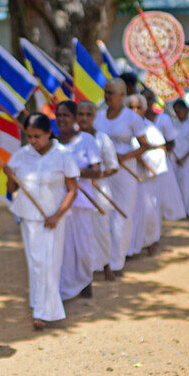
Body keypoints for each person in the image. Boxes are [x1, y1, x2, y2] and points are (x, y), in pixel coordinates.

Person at [3, 113, 79, 329]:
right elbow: (12, 190)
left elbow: (73, 190)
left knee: (50, 263)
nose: (33, 141)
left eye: (37, 136)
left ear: (48, 133)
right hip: (29, 217)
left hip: (54, 218)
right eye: (29, 136)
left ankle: (46, 311)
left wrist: (57, 215)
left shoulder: (63, 155)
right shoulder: (20, 156)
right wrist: (9, 175)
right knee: (35, 263)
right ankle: (39, 306)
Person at [94, 79, 152, 275]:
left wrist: (124, 156)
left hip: (125, 172)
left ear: (122, 95)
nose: (107, 96)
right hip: (103, 171)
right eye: (106, 92)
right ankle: (102, 261)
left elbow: (145, 145)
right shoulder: (98, 116)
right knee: (103, 212)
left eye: (111, 93)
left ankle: (118, 262)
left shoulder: (131, 118)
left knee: (123, 215)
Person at [55, 100, 102, 299]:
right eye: (59, 115)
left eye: (66, 115)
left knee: (82, 247)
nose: (62, 119)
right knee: (63, 249)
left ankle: (85, 280)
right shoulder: (52, 142)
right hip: (58, 204)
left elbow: (97, 171)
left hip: (81, 202)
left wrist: (73, 171)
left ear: (74, 118)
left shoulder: (86, 140)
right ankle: (64, 290)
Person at [76, 100, 118, 281]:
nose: (84, 118)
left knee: (102, 231)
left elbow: (113, 166)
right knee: (82, 233)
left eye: (88, 115)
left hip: (99, 192)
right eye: (81, 114)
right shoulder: (71, 138)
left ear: (94, 117)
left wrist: (97, 176)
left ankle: (107, 265)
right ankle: (85, 271)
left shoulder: (102, 138)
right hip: (77, 194)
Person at [125, 93, 163, 256]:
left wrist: (143, 159)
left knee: (147, 212)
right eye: (131, 107)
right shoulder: (123, 127)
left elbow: (160, 150)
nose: (135, 111)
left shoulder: (150, 128)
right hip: (125, 178)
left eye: (138, 107)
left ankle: (149, 242)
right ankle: (128, 249)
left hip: (145, 179)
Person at [141, 90, 187, 221]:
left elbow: (171, 142)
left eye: (150, 99)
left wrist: (160, 151)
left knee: (165, 191)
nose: (148, 102)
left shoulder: (164, 119)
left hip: (161, 162)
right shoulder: (138, 121)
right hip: (143, 163)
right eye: (145, 99)